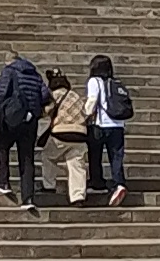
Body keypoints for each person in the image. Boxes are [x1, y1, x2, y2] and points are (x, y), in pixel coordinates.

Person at [0, 52, 46, 211]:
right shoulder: (35, 75)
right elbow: (45, 96)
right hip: (30, 120)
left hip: (11, 118)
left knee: (2, 145)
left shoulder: (9, 71)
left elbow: (1, 94)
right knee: (27, 158)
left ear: (8, 62)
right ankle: (28, 198)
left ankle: (3, 181)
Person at [84, 53, 134, 206]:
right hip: (118, 125)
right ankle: (119, 183)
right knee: (116, 157)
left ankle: (97, 181)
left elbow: (92, 101)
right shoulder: (115, 82)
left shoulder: (94, 81)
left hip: (100, 124)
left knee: (95, 153)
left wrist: (84, 115)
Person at [43, 69, 92, 206]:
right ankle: (78, 196)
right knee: (76, 163)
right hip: (81, 134)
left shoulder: (54, 95)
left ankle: (49, 185)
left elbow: (47, 111)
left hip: (61, 133)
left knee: (48, 156)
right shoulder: (75, 96)